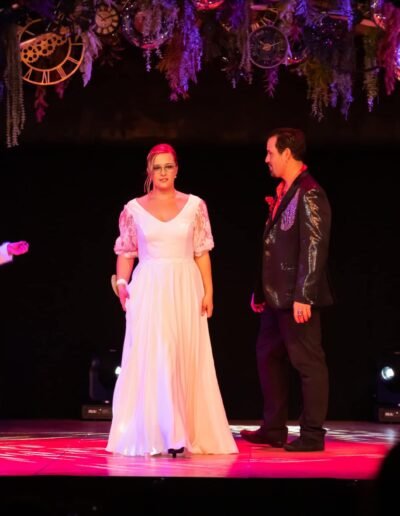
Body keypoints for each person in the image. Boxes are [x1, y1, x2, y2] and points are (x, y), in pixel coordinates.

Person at [106, 143, 238, 457]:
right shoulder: (133, 209)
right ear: (149, 172)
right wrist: (122, 283)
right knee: (158, 352)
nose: (163, 173)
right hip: (150, 288)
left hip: (185, 287)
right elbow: (126, 252)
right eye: (157, 167)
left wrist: (209, 291)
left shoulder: (195, 206)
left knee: (182, 354)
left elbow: (201, 252)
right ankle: (162, 432)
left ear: (177, 169)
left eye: (168, 166)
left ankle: (183, 431)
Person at [240, 128, 333, 452]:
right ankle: (274, 428)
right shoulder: (285, 192)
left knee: (308, 363)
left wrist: (304, 295)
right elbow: (272, 247)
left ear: (287, 153)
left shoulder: (309, 193)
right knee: (268, 358)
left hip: (296, 297)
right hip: (275, 297)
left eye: (270, 152)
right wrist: (261, 290)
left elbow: (314, 246)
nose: (266, 159)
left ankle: (312, 434)